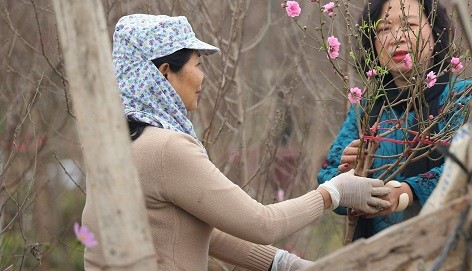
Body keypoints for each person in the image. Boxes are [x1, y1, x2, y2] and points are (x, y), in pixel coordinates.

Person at [81, 14, 392, 270]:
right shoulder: (166, 149)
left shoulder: (116, 148)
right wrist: (333, 193)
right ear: (165, 73)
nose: (203, 79)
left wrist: (282, 263)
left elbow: (201, 232)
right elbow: (262, 223)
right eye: (197, 65)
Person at [317, 0, 472, 239]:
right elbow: (326, 178)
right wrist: (347, 173)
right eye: (383, 29)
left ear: (435, 31)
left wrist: (405, 193)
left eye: (409, 25)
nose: (396, 38)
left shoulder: (463, 98)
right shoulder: (366, 110)